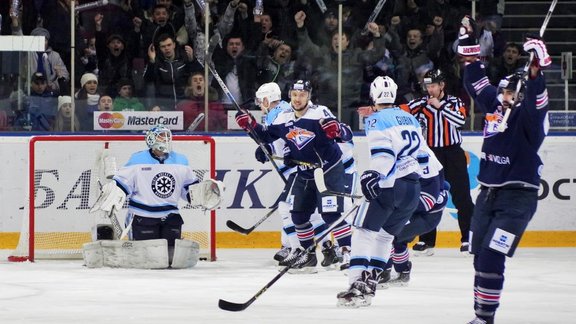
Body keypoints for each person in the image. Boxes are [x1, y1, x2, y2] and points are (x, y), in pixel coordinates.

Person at [458, 16, 551, 324]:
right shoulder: (495, 110)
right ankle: (479, 316)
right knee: (478, 258)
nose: (502, 98)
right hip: (487, 197)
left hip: (516, 199)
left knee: (491, 257)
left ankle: (485, 319)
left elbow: (538, 102)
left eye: (508, 94)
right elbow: (475, 81)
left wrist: (536, 67)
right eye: (501, 93)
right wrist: (469, 41)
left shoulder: (528, 120)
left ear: (520, 96)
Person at [236, 80, 353, 273]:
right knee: (298, 215)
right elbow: (266, 135)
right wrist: (250, 126)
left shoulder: (320, 113)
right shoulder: (284, 116)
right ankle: (308, 254)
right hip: (305, 171)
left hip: (328, 169)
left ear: (309, 96)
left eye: (302, 95)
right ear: (289, 95)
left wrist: (338, 130)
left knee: (330, 214)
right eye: (295, 95)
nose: (298, 99)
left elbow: (346, 134)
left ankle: (348, 253)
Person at [336, 76, 422, 308]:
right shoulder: (410, 118)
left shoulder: (374, 120)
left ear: (373, 96)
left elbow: (384, 154)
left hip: (389, 186)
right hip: (413, 188)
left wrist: (373, 174)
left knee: (363, 231)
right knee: (385, 236)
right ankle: (371, 282)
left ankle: (356, 284)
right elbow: (423, 156)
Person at [90, 125, 224, 265]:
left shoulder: (181, 161)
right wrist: (113, 192)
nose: (166, 139)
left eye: (167, 136)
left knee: (171, 260)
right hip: (143, 217)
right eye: (161, 136)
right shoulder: (137, 160)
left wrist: (206, 194)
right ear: (151, 139)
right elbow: (122, 185)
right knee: (146, 260)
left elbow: (190, 192)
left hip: (171, 217)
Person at [406, 68, 474, 255]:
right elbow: (401, 112)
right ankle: (427, 241)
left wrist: (439, 106)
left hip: (453, 154)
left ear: (442, 85)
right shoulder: (420, 104)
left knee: (462, 197)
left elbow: (460, 120)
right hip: (432, 154)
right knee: (429, 196)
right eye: (428, 86)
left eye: (433, 85)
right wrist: (374, 110)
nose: (430, 90)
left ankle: (468, 237)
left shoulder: (454, 102)